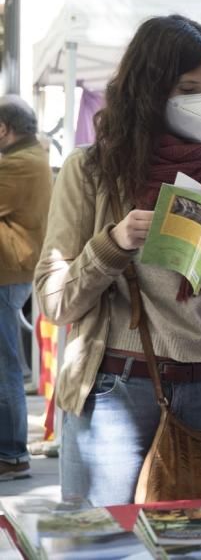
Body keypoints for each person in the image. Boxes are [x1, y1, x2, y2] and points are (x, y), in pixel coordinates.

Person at [34, 15, 201, 505]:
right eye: (188, 88)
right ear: (148, 90)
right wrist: (112, 244)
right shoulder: (91, 171)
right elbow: (55, 302)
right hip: (115, 387)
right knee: (106, 542)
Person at [0, 96, 53, 480]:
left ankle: (12, 453)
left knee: (5, 368)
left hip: (8, 273)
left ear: (4, 129)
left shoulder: (17, 164)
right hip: (15, 271)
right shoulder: (31, 156)